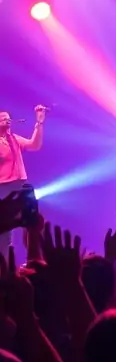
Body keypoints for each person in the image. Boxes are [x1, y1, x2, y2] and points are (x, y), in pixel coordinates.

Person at [0, 105, 47, 258]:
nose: (6, 119)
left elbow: (35, 145)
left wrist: (39, 122)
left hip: (21, 186)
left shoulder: (14, 139)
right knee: (5, 231)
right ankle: (5, 267)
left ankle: (36, 260)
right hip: (4, 189)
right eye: (2, 117)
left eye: (8, 117)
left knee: (32, 224)